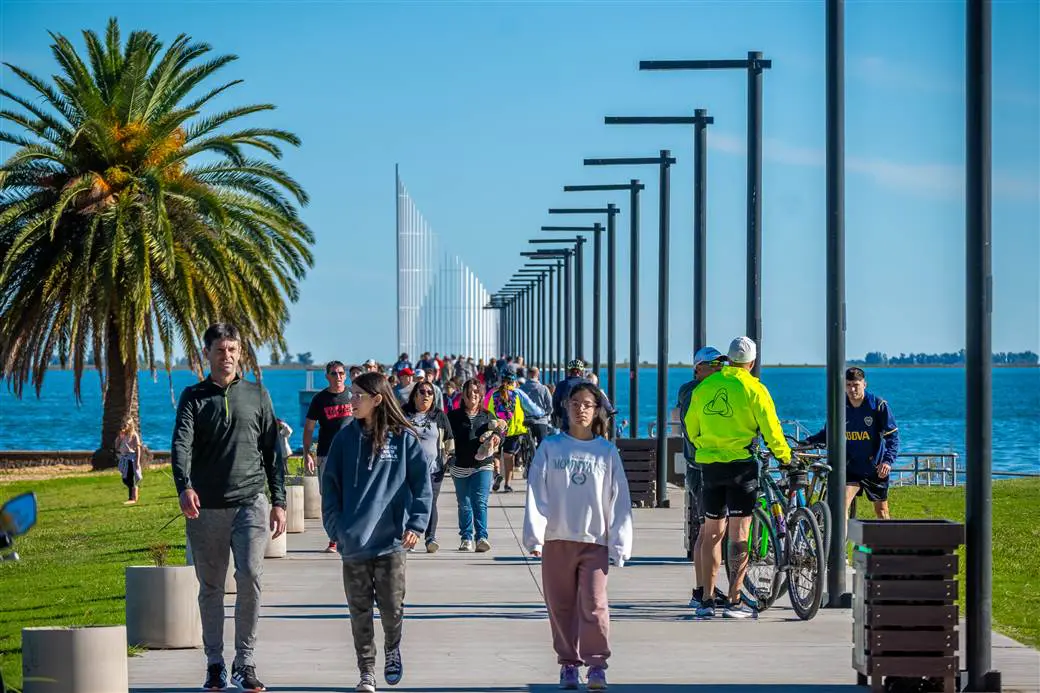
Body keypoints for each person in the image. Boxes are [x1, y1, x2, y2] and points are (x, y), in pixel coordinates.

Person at [171, 323, 286, 692]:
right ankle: (215, 663)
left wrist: (279, 500)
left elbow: (273, 451)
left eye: (233, 350)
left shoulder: (257, 394)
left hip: (251, 502)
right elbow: (181, 445)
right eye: (220, 350)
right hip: (206, 508)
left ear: (240, 354)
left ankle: (245, 661)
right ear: (207, 353)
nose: (227, 356)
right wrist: (184, 487)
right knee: (211, 587)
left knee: (250, 576)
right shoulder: (193, 397)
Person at [321, 372, 432, 693]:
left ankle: (392, 647)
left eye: (358, 395)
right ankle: (366, 670)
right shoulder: (344, 439)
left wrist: (416, 524)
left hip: (391, 543)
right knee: (359, 612)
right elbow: (330, 488)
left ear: (378, 399)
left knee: (392, 607)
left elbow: (421, 485)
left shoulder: (403, 439)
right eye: (351, 394)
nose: (351, 400)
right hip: (353, 542)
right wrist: (336, 529)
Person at [523, 382, 633, 691]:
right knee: (561, 607)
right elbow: (536, 491)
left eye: (587, 404)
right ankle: (569, 664)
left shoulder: (606, 451)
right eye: (575, 403)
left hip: (594, 541)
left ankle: (596, 665)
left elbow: (619, 499)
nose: (581, 409)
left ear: (596, 411)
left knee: (595, 604)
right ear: (566, 407)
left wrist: (620, 543)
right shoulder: (551, 447)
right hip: (557, 539)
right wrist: (535, 536)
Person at [682, 336, 791, 620]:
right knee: (739, 534)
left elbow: (691, 427)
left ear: (728, 360)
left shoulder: (704, 388)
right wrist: (785, 457)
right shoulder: (755, 388)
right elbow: (772, 430)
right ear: (752, 363)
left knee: (712, 533)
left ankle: (706, 600)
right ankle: (734, 600)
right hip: (742, 466)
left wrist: (706, 445)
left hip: (710, 466)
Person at [671, 346, 727, 608]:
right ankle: (705, 591)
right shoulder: (694, 390)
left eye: (721, 364)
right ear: (698, 369)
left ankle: (704, 587)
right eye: (713, 364)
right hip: (701, 466)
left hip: (701, 466)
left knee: (709, 529)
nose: (719, 369)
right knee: (710, 530)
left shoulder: (693, 390)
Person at [804, 367, 899, 520]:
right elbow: (828, 434)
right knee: (842, 505)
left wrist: (887, 461)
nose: (852, 389)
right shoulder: (839, 406)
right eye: (848, 385)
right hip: (850, 467)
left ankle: (886, 536)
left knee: (882, 512)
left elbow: (892, 437)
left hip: (875, 468)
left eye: (856, 385)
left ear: (864, 384)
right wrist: (808, 442)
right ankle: (842, 536)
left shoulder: (878, 405)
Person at [304, 361, 354, 553]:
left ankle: (349, 535)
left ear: (345, 375)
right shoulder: (320, 399)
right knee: (329, 497)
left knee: (350, 495)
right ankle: (333, 538)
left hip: (351, 454)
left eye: (341, 373)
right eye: (334, 373)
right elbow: (309, 428)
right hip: (326, 454)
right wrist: (308, 453)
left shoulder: (353, 395)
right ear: (327, 376)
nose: (338, 376)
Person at [403, 381, 454, 553]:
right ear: (415, 395)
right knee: (409, 502)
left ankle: (430, 538)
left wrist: (450, 458)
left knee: (430, 503)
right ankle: (409, 537)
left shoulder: (439, 415)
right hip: (408, 470)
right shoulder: (404, 413)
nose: (426, 395)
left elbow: (449, 438)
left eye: (430, 392)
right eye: (422, 391)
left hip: (434, 469)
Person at [486, 371, 545, 493]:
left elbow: (488, 410)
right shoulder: (518, 393)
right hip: (514, 431)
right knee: (509, 456)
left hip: (498, 429)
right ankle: (507, 484)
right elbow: (532, 408)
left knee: (496, 455)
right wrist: (541, 413)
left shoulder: (494, 394)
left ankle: (497, 474)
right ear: (514, 382)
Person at [551, 360, 590, 431]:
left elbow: (555, 402)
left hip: (567, 419)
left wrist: (561, 413)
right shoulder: (587, 383)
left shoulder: (562, 384)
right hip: (584, 419)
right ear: (580, 371)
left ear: (569, 371)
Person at [520, 367, 553, 447]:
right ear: (538, 375)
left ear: (528, 374)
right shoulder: (544, 389)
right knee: (542, 446)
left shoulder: (521, 389)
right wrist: (545, 414)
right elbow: (550, 407)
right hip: (541, 421)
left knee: (524, 445)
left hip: (526, 421)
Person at [115, 418, 142, 505]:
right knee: (125, 479)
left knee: (130, 478)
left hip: (131, 458)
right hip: (124, 458)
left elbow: (138, 448)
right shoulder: (123, 435)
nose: (124, 427)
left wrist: (137, 461)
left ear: (130, 426)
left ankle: (132, 497)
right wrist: (119, 437)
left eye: (125, 425)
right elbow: (117, 447)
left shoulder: (134, 435)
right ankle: (134, 490)